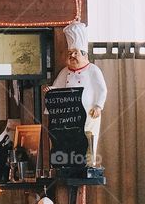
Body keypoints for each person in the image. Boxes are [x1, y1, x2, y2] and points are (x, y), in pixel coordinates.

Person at [46, 21, 107, 168]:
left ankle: (88, 164)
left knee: (87, 140)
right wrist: (50, 91)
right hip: (69, 117)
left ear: (84, 54)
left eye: (76, 52)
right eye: (70, 53)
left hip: (88, 115)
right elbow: (57, 88)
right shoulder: (65, 72)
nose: (72, 56)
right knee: (69, 141)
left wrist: (98, 106)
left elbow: (102, 89)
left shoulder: (93, 70)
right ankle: (68, 163)